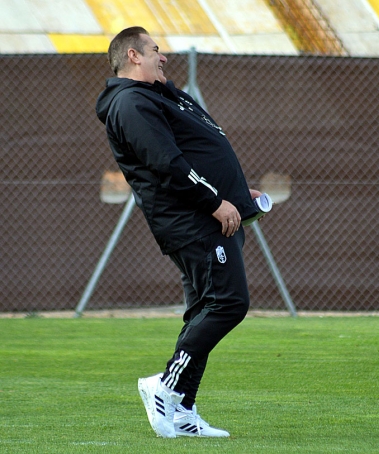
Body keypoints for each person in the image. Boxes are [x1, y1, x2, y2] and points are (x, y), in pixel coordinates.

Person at [95, 26, 262, 438]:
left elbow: (199, 146)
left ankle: (183, 411)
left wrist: (237, 193)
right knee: (227, 304)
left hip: (210, 216)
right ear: (133, 56)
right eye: (154, 50)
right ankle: (166, 385)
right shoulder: (130, 102)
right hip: (192, 222)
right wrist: (214, 201)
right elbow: (168, 163)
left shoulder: (157, 94)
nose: (163, 56)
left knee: (204, 311)